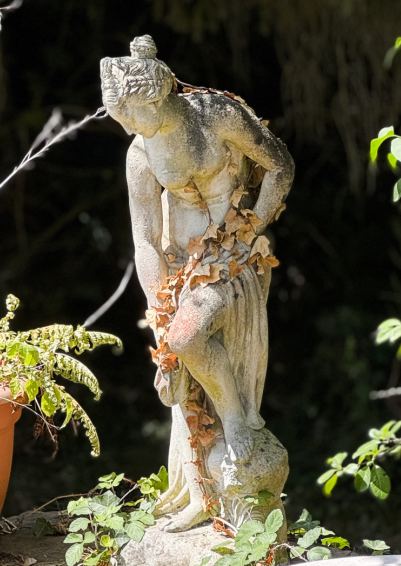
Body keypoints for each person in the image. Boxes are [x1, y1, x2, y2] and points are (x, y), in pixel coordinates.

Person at [100, 35, 294, 530]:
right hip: (181, 275)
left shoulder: (215, 116)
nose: (125, 126)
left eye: (129, 114)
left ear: (156, 96)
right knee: (180, 365)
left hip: (232, 264)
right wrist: (157, 302)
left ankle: (238, 426)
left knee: (188, 338)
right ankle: (202, 497)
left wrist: (252, 227)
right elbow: (144, 239)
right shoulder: (140, 155)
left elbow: (279, 165)